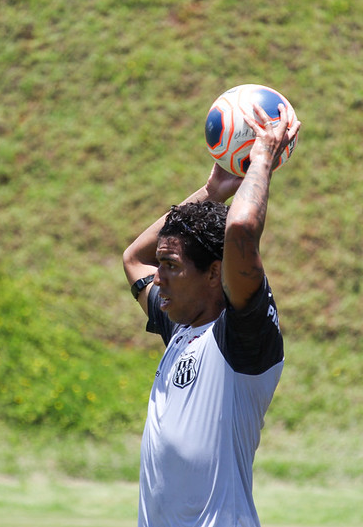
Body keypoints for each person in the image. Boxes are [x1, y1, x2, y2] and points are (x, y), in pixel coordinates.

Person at [123, 102, 301, 527]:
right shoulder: (181, 326)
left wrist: (261, 160)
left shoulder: (240, 338)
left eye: (171, 267)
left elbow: (240, 231)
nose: (158, 279)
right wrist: (214, 189)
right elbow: (134, 258)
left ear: (214, 274)